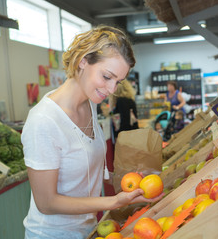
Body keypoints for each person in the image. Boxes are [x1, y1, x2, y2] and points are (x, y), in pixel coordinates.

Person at [21, 26, 163, 239]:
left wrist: (128, 179)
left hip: (87, 229)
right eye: (107, 76)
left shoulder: (90, 103)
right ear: (83, 61)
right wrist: (114, 201)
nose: (112, 89)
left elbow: (84, 171)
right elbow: (46, 203)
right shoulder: (44, 121)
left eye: (118, 82)